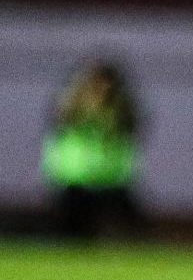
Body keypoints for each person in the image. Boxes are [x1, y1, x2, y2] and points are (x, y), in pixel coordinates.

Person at [44, 59, 146, 240]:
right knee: (70, 229)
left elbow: (131, 131)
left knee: (127, 225)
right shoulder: (73, 104)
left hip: (110, 177)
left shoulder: (122, 109)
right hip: (75, 175)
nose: (104, 89)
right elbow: (61, 128)